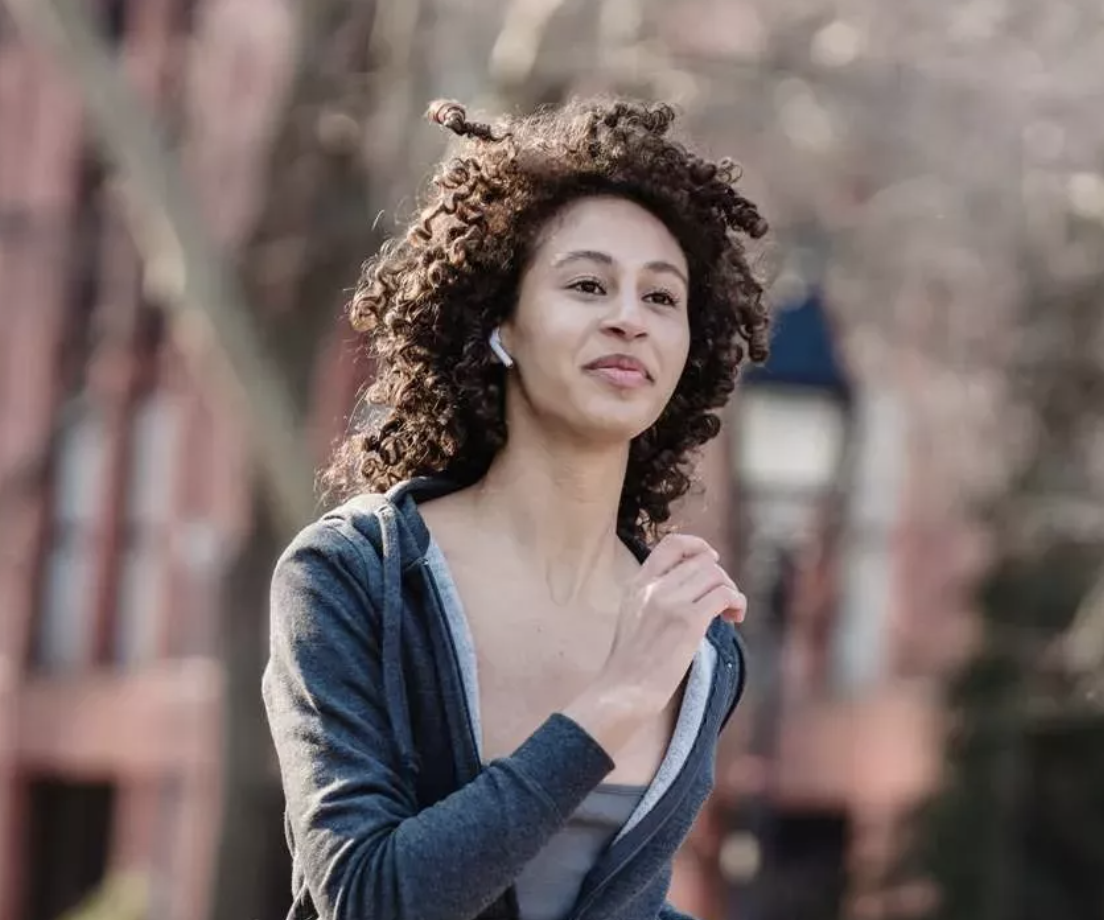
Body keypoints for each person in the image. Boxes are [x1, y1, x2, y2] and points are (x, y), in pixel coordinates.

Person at [263, 96, 772, 920]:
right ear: (502, 322)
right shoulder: (359, 577)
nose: (628, 320)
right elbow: (370, 897)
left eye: (661, 298)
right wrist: (617, 697)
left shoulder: (698, 639)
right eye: (586, 284)